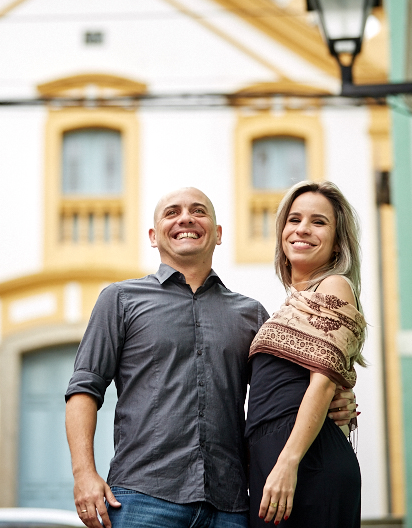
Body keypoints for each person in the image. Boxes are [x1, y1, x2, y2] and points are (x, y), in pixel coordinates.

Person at [64, 187, 358, 528]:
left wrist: (338, 399)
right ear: (153, 235)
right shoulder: (119, 299)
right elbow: (84, 388)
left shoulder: (252, 315)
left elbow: (282, 387)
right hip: (142, 498)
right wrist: (84, 474)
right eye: (171, 212)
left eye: (199, 211)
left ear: (218, 234)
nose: (186, 218)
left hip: (229, 508)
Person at [246, 180, 367, 527]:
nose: (302, 229)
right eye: (294, 219)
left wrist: (288, 463)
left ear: (337, 242)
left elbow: (323, 383)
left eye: (318, 222)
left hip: (304, 464)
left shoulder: (334, 285)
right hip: (279, 464)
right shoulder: (289, 306)